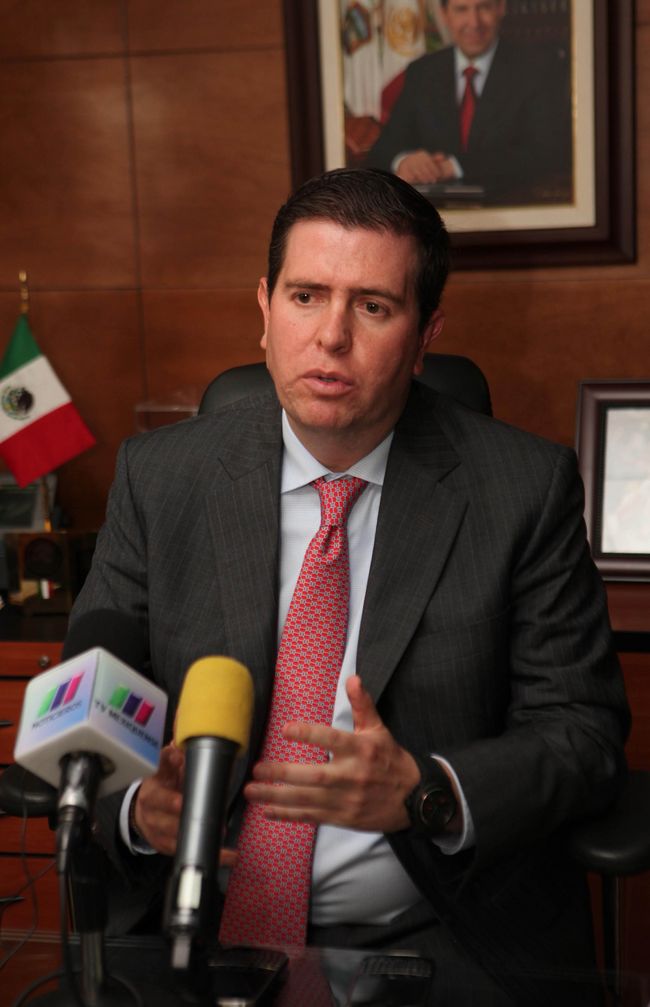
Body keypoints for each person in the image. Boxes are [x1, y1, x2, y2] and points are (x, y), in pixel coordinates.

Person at [68, 167, 628, 1006]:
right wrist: (135, 809)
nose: (331, 337)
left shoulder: (522, 490)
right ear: (265, 309)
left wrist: (428, 792)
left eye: (372, 306)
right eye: (306, 296)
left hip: (433, 931)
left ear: (425, 332)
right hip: (195, 925)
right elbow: (91, 709)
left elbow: (583, 735)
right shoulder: (161, 480)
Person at [365, 0, 571, 204]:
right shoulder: (422, 72)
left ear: (501, 8)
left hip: (512, 207)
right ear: (444, 15)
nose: (474, 22)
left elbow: (546, 152)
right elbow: (383, 150)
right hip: (434, 214)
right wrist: (405, 160)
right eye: (461, 9)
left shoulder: (538, 68)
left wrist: (455, 166)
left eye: (484, 7)